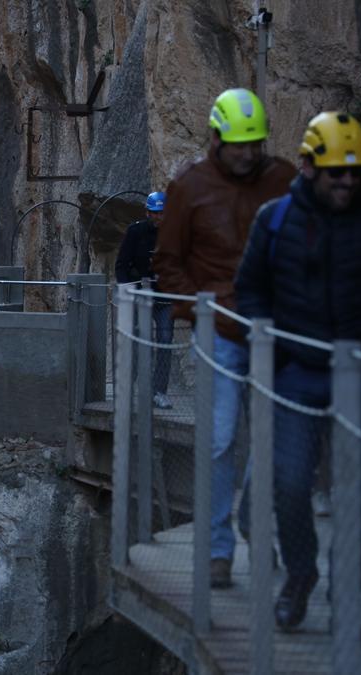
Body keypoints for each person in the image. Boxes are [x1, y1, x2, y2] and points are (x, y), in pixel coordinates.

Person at [235, 111, 361, 645]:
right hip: (296, 374)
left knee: (355, 499)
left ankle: (346, 607)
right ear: (311, 166)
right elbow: (251, 289)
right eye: (336, 171)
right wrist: (267, 339)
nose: (346, 181)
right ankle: (301, 572)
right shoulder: (275, 220)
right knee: (289, 484)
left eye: (355, 171)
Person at [153, 88, 297, 589]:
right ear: (216, 138)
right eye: (238, 143)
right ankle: (216, 549)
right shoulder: (188, 188)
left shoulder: (284, 180)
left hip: (276, 327)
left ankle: (258, 528)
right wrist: (197, 307)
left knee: (274, 439)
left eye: (254, 143)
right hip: (221, 330)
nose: (247, 153)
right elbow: (168, 259)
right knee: (217, 438)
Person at [115, 191, 175, 409]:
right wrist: (128, 289)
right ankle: (127, 388)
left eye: (162, 213)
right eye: (154, 213)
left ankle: (159, 391)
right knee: (138, 341)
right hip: (140, 296)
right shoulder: (136, 232)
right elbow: (121, 265)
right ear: (148, 212)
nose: (158, 217)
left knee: (166, 342)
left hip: (165, 297)